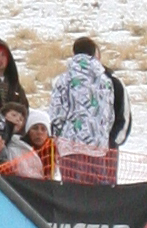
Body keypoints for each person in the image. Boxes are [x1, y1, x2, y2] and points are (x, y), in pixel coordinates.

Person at [49, 38, 115, 182]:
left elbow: (57, 114)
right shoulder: (105, 81)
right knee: (96, 195)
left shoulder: (64, 80)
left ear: (74, 53)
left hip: (70, 146)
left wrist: (59, 136)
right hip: (97, 148)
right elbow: (109, 116)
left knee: (72, 193)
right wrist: (101, 135)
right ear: (93, 53)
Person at [24, 110, 57, 179]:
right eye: (35, 128)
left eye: (43, 129)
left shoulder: (55, 155)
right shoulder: (18, 151)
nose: (39, 132)